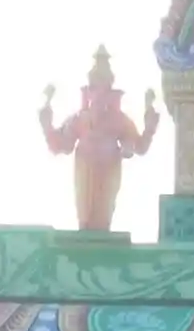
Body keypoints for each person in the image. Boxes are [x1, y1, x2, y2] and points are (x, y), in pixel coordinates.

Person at [39, 47, 158, 233]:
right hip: (84, 167)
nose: (99, 93)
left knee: (104, 210)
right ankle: (85, 230)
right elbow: (62, 145)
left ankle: (102, 231)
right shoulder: (79, 119)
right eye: (95, 87)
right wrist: (47, 124)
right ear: (89, 90)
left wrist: (149, 127)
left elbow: (138, 147)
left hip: (109, 167)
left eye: (103, 86)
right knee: (85, 211)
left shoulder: (119, 120)